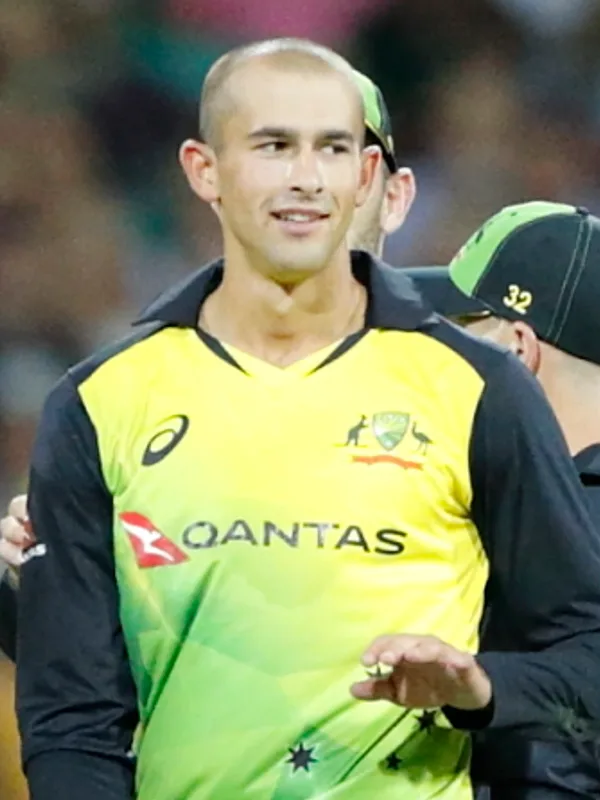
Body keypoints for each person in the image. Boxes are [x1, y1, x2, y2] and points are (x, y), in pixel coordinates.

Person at [11, 38, 600, 800]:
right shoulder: (101, 402)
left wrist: (481, 688)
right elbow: (74, 716)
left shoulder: (478, 391)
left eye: (332, 148)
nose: (306, 177)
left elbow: (582, 653)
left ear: (367, 175)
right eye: (274, 146)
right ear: (203, 169)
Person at [403, 201, 600, 799]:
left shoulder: (561, 522)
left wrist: (486, 686)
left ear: (516, 350)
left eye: (459, 331)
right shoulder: (495, 498)